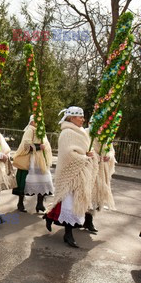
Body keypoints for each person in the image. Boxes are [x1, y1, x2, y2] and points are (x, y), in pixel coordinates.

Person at [43, 106, 98, 248]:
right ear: (72, 118)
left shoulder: (80, 132)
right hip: (70, 174)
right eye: (80, 117)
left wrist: (89, 154)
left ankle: (49, 217)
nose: (83, 119)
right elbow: (68, 153)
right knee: (68, 205)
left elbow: (85, 149)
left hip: (80, 173)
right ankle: (68, 234)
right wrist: (84, 156)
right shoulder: (67, 133)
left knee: (66, 203)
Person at [12, 115, 54, 213]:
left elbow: (46, 144)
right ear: (31, 122)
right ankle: (20, 203)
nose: (39, 123)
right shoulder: (30, 130)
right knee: (25, 183)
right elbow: (25, 146)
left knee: (42, 181)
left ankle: (40, 204)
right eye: (36, 121)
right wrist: (38, 147)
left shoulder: (41, 131)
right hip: (30, 160)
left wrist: (45, 149)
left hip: (41, 161)